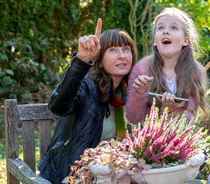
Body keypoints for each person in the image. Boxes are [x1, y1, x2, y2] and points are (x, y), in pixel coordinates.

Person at [38, 19, 138, 183]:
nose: (121, 56)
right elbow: (58, 106)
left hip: (111, 173)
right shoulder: (87, 86)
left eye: (126, 49)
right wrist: (81, 60)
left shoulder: (129, 93)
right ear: (99, 60)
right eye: (113, 50)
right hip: (72, 173)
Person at [126, 7, 207, 124]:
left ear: (185, 41)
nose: (165, 31)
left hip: (181, 140)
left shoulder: (197, 71)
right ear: (155, 40)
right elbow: (133, 119)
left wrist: (171, 110)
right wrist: (139, 93)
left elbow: (190, 120)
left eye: (173, 27)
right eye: (160, 28)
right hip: (147, 140)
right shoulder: (141, 68)